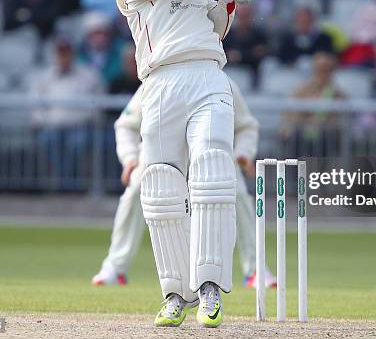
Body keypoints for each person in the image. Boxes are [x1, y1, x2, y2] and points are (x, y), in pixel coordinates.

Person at [116, 0, 285, 327]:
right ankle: (175, 293)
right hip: (159, 85)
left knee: (213, 169)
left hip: (209, 77)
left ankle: (210, 288)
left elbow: (214, 30)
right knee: (159, 189)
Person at [92, 79, 277, 290]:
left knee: (237, 192)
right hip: (163, 154)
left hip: (209, 154)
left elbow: (246, 126)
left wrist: (243, 152)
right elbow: (127, 124)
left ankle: (255, 270)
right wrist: (130, 157)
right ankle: (115, 266)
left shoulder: (222, 83)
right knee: (136, 189)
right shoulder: (156, 82)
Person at [30, 32, 105, 191]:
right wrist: (45, 121)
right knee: (48, 140)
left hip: (81, 126)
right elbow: (36, 106)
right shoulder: (44, 77)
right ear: (55, 54)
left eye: (66, 51)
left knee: (77, 144)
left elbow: (97, 104)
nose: (63, 55)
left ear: (73, 53)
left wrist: (81, 120)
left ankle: (69, 185)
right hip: (52, 126)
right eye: (60, 51)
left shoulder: (89, 75)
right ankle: (65, 184)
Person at [281, 53, 345, 156]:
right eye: (320, 69)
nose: (323, 74)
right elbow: (290, 113)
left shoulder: (337, 93)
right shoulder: (302, 89)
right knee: (294, 138)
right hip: (302, 133)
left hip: (326, 136)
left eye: (327, 70)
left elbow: (340, 119)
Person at [222, 3, 269, 88]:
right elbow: (222, 52)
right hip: (229, 70)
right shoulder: (228, 34)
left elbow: (259, 54)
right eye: (241, 16)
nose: (243, 19)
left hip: (250, 72)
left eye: (246, 16)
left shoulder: (259, 35)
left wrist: (239, 56)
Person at [77, 11, 127, 86]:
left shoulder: (121, 52)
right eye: (96, 33)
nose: (100, 38)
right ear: (88, 36)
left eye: (103, 33)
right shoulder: (78, 56)